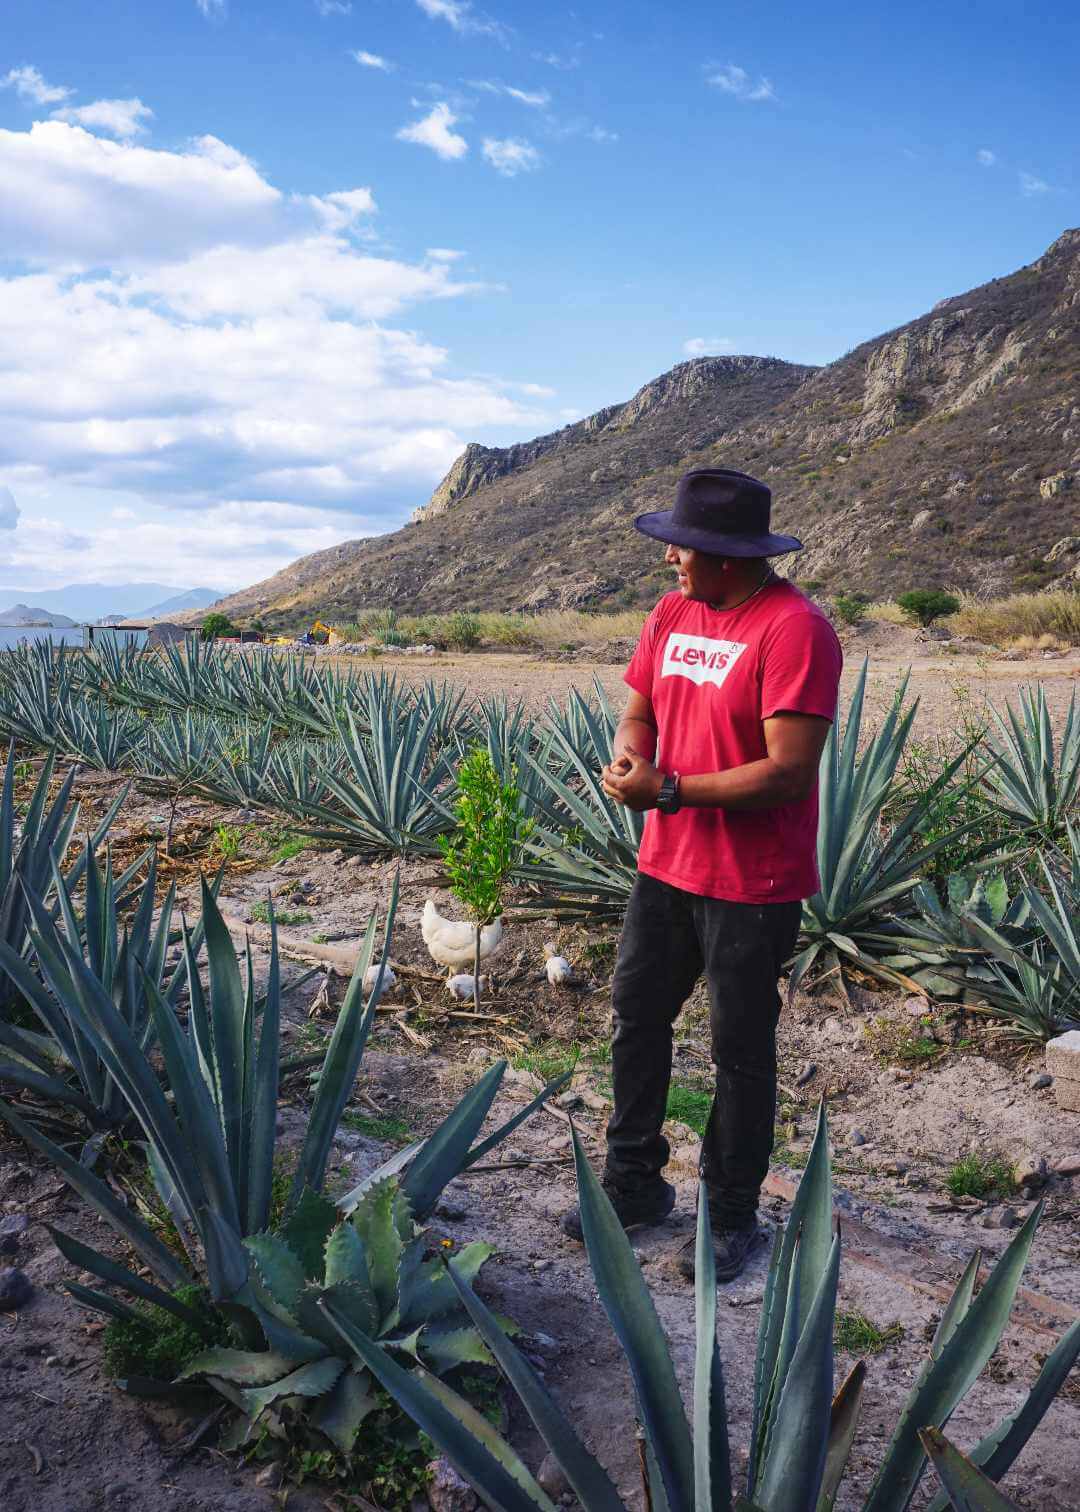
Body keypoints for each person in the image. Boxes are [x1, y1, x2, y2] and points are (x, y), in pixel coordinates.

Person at [561, 467, 843, 1282]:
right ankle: (635, 1186)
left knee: (739, 1050)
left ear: (724, 555)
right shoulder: (675, 609)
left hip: (751, 885)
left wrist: (671, 791)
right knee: (636, 1018)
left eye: (682, 549)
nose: (670, 562)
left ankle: (728, 1215)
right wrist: (632, 759)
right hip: (667, 867)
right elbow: (641, 703)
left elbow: (789, 772)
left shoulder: (794, 631)